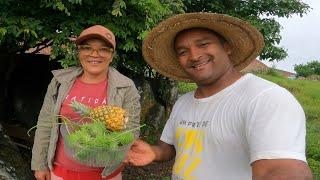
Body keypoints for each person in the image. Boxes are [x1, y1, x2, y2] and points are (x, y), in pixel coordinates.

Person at [126, 13, 312, 179]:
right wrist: (154, 152)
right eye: (183, 52)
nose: (194, 56)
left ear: (227, 47)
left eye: (203, 44)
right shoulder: (183, 102)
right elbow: (170, 147)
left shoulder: (266, 98)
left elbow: (283, 170)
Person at [31, 25, 141, 180]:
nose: (94, 54)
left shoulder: (125, 87)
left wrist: (112, 145)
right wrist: (39, 165)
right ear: (79, 52)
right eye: (87, 48)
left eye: (103, 49)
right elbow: (45, 124)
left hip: (106, 175)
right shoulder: (60, 83)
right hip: (61, 171)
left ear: (112, 55)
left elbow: (132, 130)